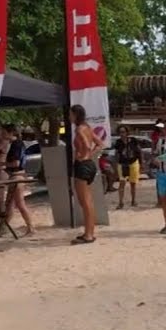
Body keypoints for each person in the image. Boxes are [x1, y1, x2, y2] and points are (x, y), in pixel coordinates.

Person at [71, 104, 104, 244]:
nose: (68, 117)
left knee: (84, 202)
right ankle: (89, 232)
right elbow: (100, 143)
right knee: (88, 201)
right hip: (90, 165)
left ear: (75, 115)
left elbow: (85, 144)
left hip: (82, 165)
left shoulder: (79, 129)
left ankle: (89, 235)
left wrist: (83, 154)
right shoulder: (88, 128)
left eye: (70, 114)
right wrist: (90, 154)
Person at [3, 124, 36, 236]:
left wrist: (2, 164)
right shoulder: (16, 144)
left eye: (4, 132)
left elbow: (16, 163)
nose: (2, 135)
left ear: (10, 133)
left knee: (19, 203)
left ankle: (30, 227)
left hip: (16, 175)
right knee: (10, 203)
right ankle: (4, 226)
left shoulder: (16, 145)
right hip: (16, 175)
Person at [113, 125, 142, 209]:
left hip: (133, 162)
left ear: (127, 132)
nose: (122, 134)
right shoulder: (118, 142)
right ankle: (120, 202)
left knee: (133, 183)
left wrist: (141, 163)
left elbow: (139, 151)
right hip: (122, 164)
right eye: (120, 132)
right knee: (122, 183)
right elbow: (116, 154)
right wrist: (115, 165)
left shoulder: (133, 140)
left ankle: (133, 200)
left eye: (123, 132)